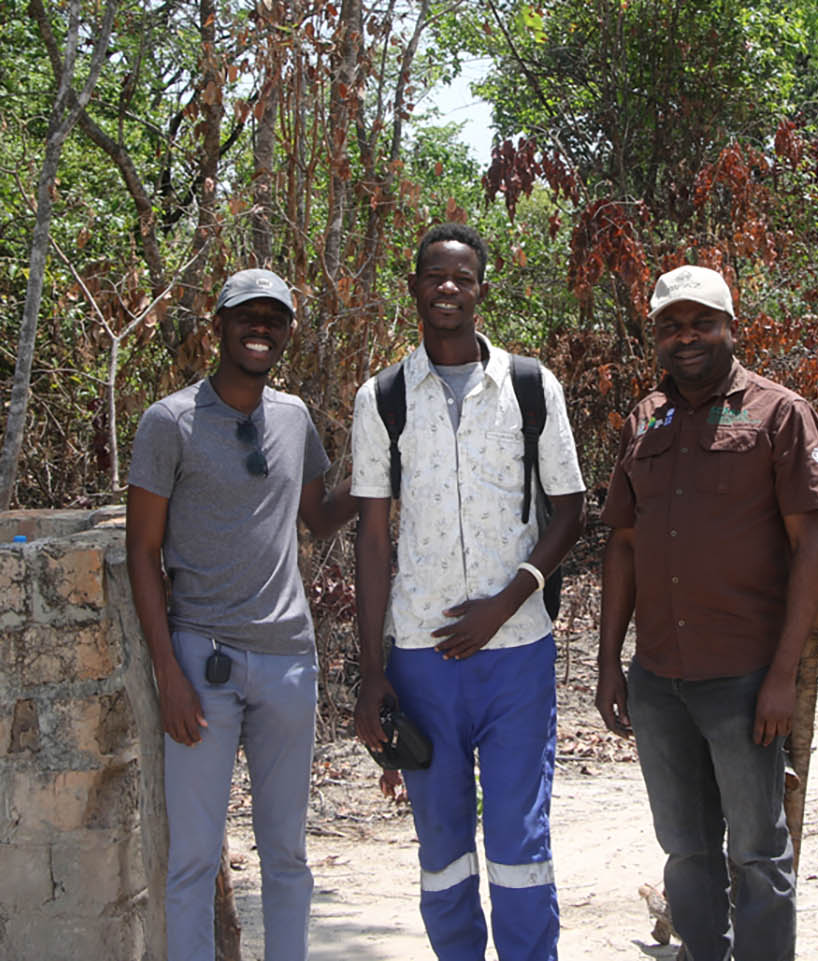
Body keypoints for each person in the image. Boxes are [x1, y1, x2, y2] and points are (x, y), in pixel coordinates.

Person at [351, 223, 586, 961]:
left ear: (481, 289)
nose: (447, 287)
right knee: (442, 843)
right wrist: (371, 670)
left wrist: (506, 602)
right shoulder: (382, 398)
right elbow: (372, 538)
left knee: (521, 838)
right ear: (415, 287)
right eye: (434, 275)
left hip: (515, 653)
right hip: (421, 658)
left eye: (462, 277)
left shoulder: (528, 385)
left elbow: (571, 507)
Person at [596, 264, 818, 961]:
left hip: (744, 679)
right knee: (685, 847)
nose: (687, 336)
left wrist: (783, 675)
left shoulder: (780, 413)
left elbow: (811, 548)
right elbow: (624, 545)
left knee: (758, 851)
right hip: (660, 678)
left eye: (702, 322)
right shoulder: (647, 417)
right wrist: (612, 663)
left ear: (732, 327)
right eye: (671, 325)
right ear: (656, 337)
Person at [125, 268, 356, 961]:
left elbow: (316, 515)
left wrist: (382, 475)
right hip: (203, 664)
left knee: (287, 852)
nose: (261, 329)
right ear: (218, 325)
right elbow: (142, 551)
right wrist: (168, 668)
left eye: (275, 319)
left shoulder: (293, 417)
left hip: (289, 662)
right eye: (247, 316)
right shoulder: (170, 422)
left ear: (287, 333)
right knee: (193, 858)